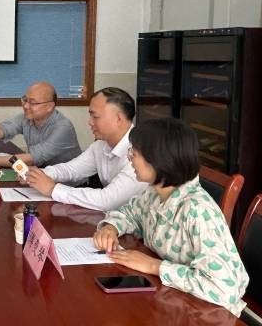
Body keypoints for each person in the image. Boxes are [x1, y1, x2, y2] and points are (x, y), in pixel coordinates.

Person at [93, 118, 249, 317]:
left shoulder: (198, 211)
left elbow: (225, 289)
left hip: (208, 313)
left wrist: (154, 266)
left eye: (134, 153)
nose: (129, 158)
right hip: (171, 300)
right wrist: (111, 228)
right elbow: (130, 213)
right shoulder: (155, 192)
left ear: (158, 159)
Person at [26, 87, 148, 211]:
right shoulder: (100, 145)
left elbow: (107, 200)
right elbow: (72, 169)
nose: (90, 122)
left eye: (95, 117)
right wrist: (39, 175)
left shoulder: (141, 152)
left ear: (118, 119)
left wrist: (53, 189)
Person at [0, 82, 81, 167]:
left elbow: (31, 159)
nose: (26, 106)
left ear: (49, 106)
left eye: (32, 102)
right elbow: (0, 130)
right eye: (25, 100)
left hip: (70, 186)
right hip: (42, 175)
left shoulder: (63, 128)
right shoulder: (26, 118)